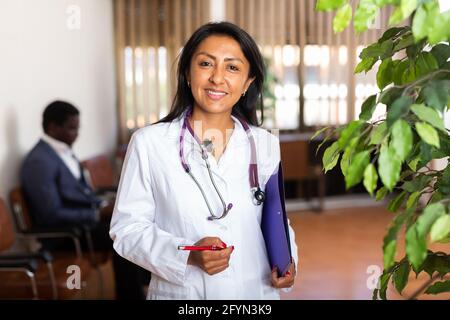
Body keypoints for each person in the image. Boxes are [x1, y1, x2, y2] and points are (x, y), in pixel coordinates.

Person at [110, 22, 298, 300]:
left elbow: (276, 217)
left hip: (253, 292)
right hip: (185, 294)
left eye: (232, 67)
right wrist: (187, 255)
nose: (218, 78)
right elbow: (127, 229)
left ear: (247, 83)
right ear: (187, 72)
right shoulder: (149, 143)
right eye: (206, 64)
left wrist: (288, 261)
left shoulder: (264, 143)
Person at [21, 100, 148, 300]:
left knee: (133, 223)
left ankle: (141, 286)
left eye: (77, 128)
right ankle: (131, 294)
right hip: (64, 235)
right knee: (124, 236)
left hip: (82, 224)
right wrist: (97, 213)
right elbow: (50, 214)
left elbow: (79, 194)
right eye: (72, 128)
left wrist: (103, 205)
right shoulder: (40, 161)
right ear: (53, 127)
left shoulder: (60, 151)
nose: (77, 134)